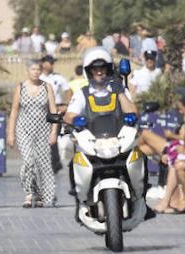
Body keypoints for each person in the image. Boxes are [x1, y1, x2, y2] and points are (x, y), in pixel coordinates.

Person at [8, 61, 58, 208]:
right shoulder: (21, 87)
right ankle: (29, 193)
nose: (36, 72)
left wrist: (54, 132)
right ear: (28, 71)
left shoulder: (46, 87)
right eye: (33, 69)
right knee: (28, 161)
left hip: (42, 130)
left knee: (42, 163)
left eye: (38, 69)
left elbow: (53, 111)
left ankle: (41, 194)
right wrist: (11, 133)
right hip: (24, 129)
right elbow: (14, 111)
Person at [64, 48, 138, 126]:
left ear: (108, 69)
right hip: (89, 136)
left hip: (120, 135)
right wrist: (77, 120)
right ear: (88, 71)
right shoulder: (82, 93)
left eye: (103, 68)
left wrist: (120, 92)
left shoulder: (120, 89)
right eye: (95, 69)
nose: (99, 72)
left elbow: (133, 113)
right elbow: (68, 116)